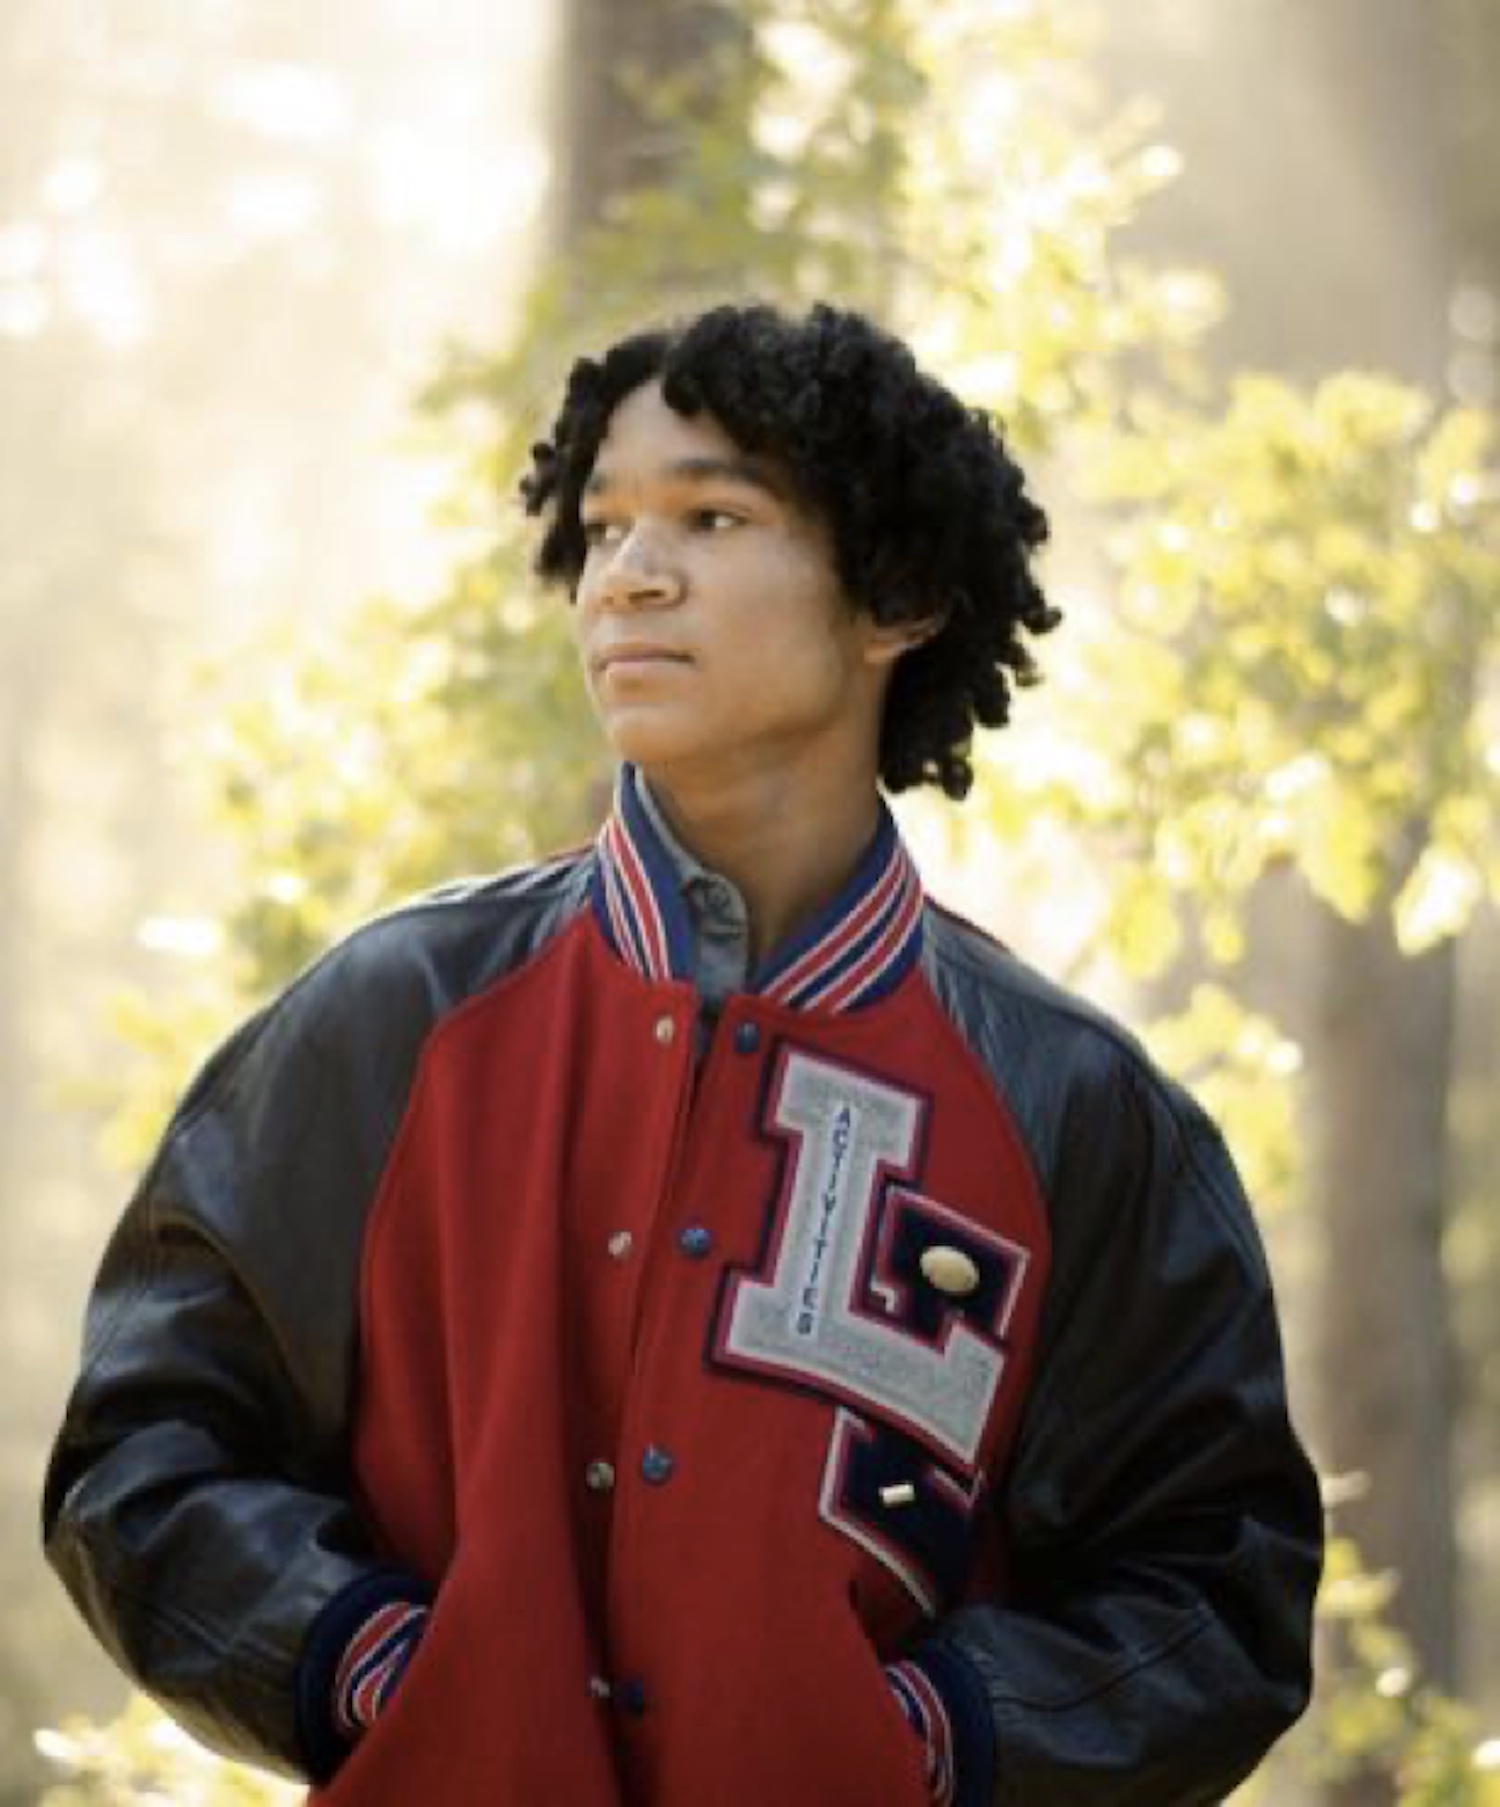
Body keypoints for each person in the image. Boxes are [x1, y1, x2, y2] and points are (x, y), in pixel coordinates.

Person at [43, 300, 1323, 1805]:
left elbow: (1217, 1591)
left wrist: (925, 1742)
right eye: (602, 529)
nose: (628, 580)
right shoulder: (393, 1019)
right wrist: (371, 1666)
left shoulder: (1078, 1112)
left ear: (896, 595)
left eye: (711, 517)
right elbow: (141, 1452)